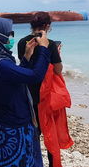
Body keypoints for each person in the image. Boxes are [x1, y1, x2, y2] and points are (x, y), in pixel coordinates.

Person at [0, 17, 50, 166]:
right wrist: (43, 49)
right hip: (15, 124)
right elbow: (35, 76)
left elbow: (17, 78)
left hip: (5, 118)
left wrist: (27, 56)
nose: (11, 38)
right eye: (9, 33)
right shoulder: (2, 64)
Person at [17, 12, 66, 167]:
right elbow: (58, 70)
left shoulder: (22, 42)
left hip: (28, 94)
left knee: (33, 132)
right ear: (47, 26)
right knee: (51, 133)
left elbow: (24, 64)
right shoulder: (50, 45)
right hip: (47, 96)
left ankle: (33, 162)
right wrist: (57, 53)